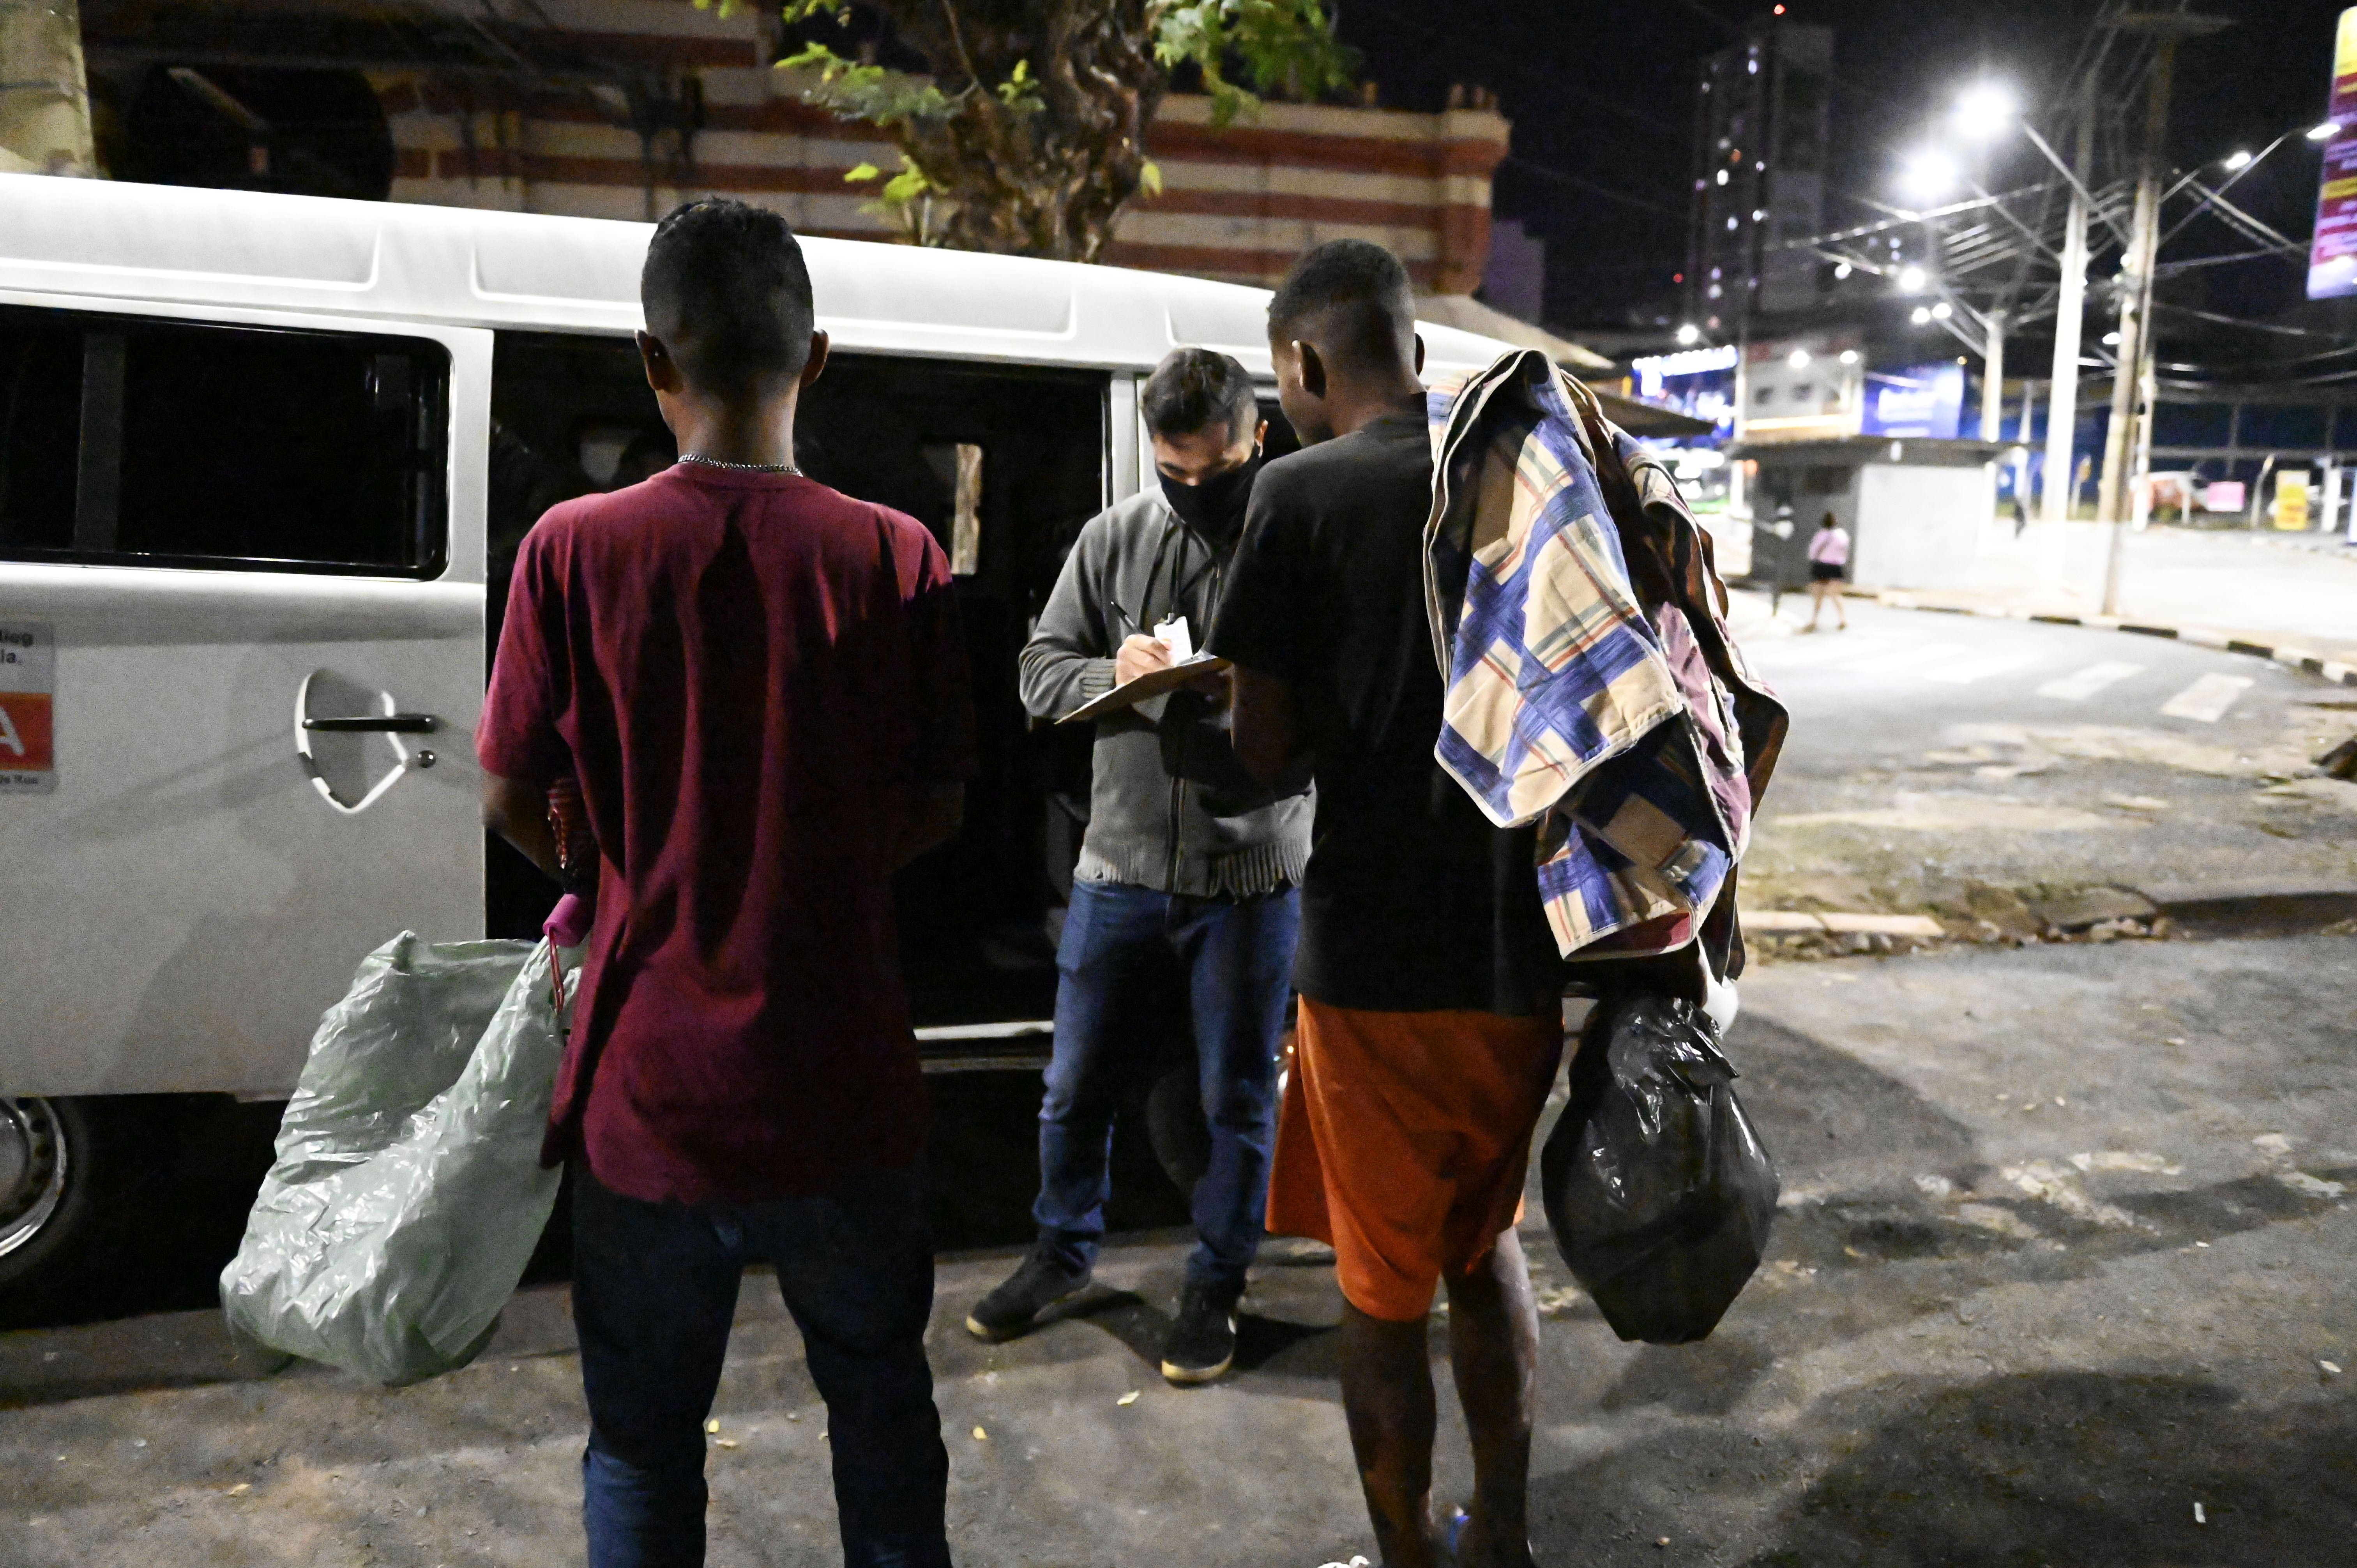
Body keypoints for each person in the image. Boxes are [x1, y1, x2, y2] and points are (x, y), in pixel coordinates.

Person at [477, 196, 971, 1568]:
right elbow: (936, 802)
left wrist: (614, 867)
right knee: (881, 1413)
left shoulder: (571, 551)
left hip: (649, 1097)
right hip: (846, 1085)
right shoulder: (897, 557)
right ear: (816, 359)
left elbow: (515, 797)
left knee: (640, 1440)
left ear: (652, 361)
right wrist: (818, 862)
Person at [1207, 239, 1567, 1568]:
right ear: (1410, 345)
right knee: (1486, 1250)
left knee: (1377, 1287)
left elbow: (1264, 745)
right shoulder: (1517, 479)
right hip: (1519, 949)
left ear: (1304, 361)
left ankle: (1407, 1555)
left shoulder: (1297, 492)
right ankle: (1506, 1541)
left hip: (1370, 964)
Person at [967, 346, 1311, 1385]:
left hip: (1251, 869)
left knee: (1238, 1097)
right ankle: (1062, 1252)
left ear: (1257, 438)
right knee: (1073, 1086)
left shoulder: (1295, 544)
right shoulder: (1111, 539)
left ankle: (1216, 1285)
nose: (1194, 494)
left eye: (1215, 475)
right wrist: (1110, 669)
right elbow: (1037, 671)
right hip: (1118, 863)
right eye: (1175, 475)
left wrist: (1255, 700)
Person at [1803, 510, 1850, 632]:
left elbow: (1813, 551)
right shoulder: (1842, 535)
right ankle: (1843, 619)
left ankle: (1814, 619)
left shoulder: (1821, 535)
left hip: (1821, 566)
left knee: (1818, 595)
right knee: (1836, 595)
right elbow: (1844, 550)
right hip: (1836, 567)